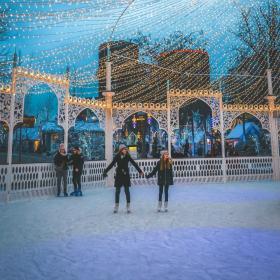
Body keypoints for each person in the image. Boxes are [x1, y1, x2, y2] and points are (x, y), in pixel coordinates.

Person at [103, 144, 144, 214]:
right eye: (124, 149)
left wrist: (140, 171)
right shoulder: (117, 156)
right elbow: (112, 164)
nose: (125, 150)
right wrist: (105, 171)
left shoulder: (128, 156)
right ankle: (116, 206)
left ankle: (128, 206)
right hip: (119, 175)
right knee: (117, 191)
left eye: (126, 149)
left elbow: (134, 163)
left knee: (127, 191)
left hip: (126, 176)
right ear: (121, 150)